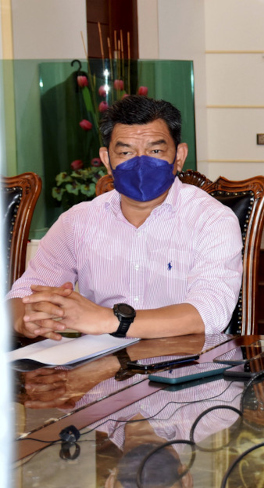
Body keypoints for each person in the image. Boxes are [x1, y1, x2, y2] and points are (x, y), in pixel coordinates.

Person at [7, 97, 243, 340]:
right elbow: (21, 297)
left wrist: (108, 319)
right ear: (107, 159)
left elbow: (210, 312)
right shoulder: (77, 222)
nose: (141, 163)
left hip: (182, 365)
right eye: (126, 152)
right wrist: (26, 318)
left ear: (179, 156)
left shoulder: (211, 220)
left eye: (155, 151)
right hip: (98, 368)